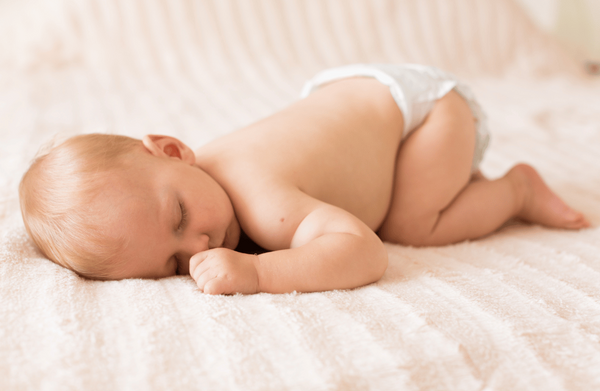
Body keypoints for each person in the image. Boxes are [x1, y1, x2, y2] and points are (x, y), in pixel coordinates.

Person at [19, 64, 590, 295]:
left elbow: (362, 251)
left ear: (172, 149)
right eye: (171, 262)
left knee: (412, 224)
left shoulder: (262, 200)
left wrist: (261, 271)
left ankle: (514, 188)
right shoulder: (194, 177)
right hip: (358, 94)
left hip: (429, 112)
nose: (198, 246)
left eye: (181, 218)